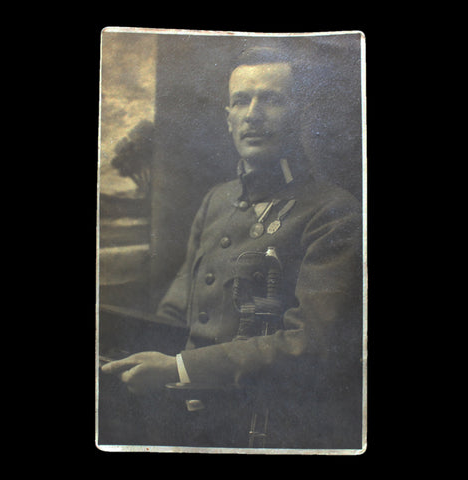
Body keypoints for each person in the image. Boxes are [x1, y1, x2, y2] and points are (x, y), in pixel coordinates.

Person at [101, 46, 363, 450]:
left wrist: (179, 367)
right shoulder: (217, 201)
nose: (253, 114)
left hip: (267, 429)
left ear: (300, 114)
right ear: (228, 119)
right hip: (185, 423)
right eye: (241, 100)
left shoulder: (333, 212)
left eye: (271, 99)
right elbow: (175, 313)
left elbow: (311, 344)